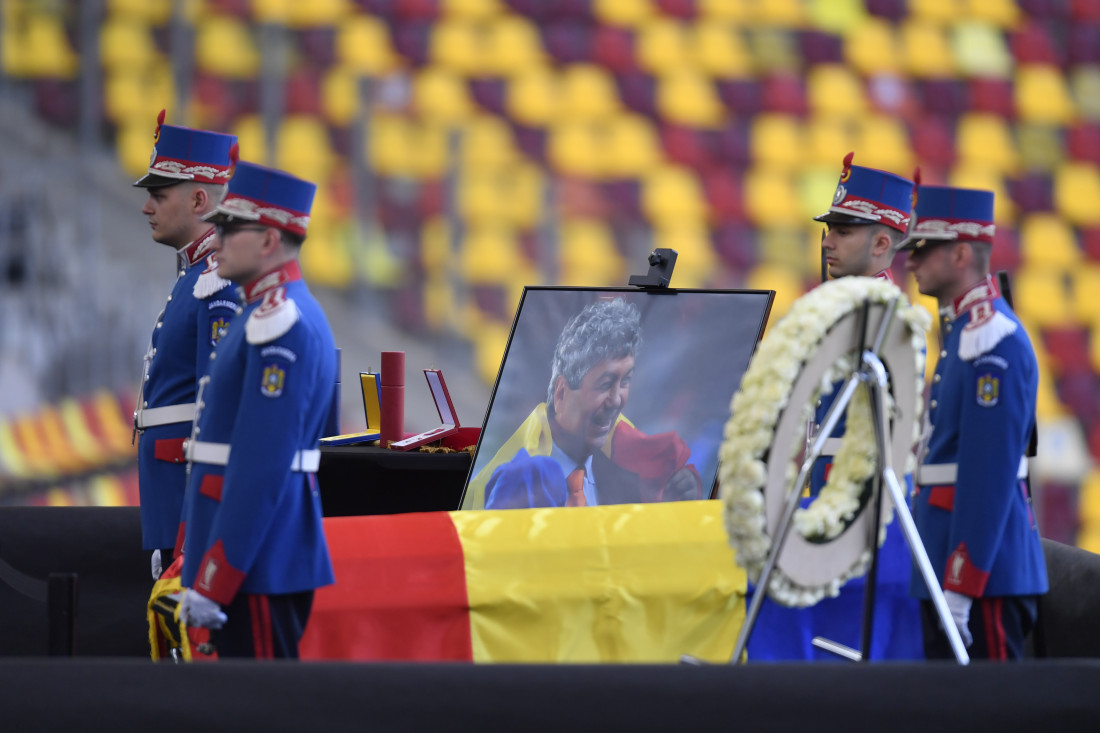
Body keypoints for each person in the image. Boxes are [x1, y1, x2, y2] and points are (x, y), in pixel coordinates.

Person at [748, 152, 923, 661]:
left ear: (883, 244)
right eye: (830, 228)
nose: (827, 240)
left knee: (849, 680)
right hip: (818, 514)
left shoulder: (888, 323)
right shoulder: (836, 312)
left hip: (864, 528)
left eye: (844, 231)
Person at [177, 161, 338, 659]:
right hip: (247, 558)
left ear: (269, 240)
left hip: (256, 563)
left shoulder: (280, 322)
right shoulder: (258, 311)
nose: (216, 236)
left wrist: (216, 578)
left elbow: (261, 467)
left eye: (229, 227)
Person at [901, 184, 1047, 660]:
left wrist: (962, 585)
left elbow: (988, 475)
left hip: (983, 577)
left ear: (961, 253)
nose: (911, 261)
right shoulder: (965, 330)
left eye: (924, 249)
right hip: (951, 563)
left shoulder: (991, 339)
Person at [132, 110, 239, 581]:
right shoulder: (195, 277)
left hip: (185, 512)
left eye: (158, 195)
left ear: (199, 199)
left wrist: (191, 531)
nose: (146, 207)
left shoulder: (216, 282)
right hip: (171, 505)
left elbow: (214, 418)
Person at [472, 297, 702, 510]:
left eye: (625, 381)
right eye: (605, 383)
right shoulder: (521, 478)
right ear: (561, 393)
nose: (616, 400)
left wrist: (680, 497)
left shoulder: (627, 480)